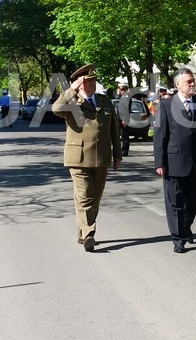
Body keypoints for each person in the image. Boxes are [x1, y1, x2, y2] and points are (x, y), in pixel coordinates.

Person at [52, 64, 122, 252]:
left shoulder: (104, 101)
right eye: (88, 81)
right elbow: (56, 109)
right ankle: (89, 233)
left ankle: (82, 234)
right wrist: (71, 89)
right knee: (84, 196)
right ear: (80, 83)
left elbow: (114, 130)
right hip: (78, 157)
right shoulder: (71, 102)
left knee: (95, 198)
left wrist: (117, 155)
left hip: (101, 157)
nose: (92, 83)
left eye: (93, 80)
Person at [153, 68, 196, 253]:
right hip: (174, 161)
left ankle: (185, 225)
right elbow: (160, 136)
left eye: (192, 81)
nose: (192, 84)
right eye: (188, 81)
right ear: (177, 84)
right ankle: (178, 238)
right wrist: (159, 162)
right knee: (175, 202)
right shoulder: (166, 105)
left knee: (195, 199)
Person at [116, 82, 131, 157]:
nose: (120, 91)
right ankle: (122, 150)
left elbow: (127, 110)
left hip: (123, 119)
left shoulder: (127, 98)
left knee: (124, 135)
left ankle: (125, 151)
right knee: (121, 135)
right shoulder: (122, 97)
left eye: (122, 89)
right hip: (119, 119)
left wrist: (125, 120)